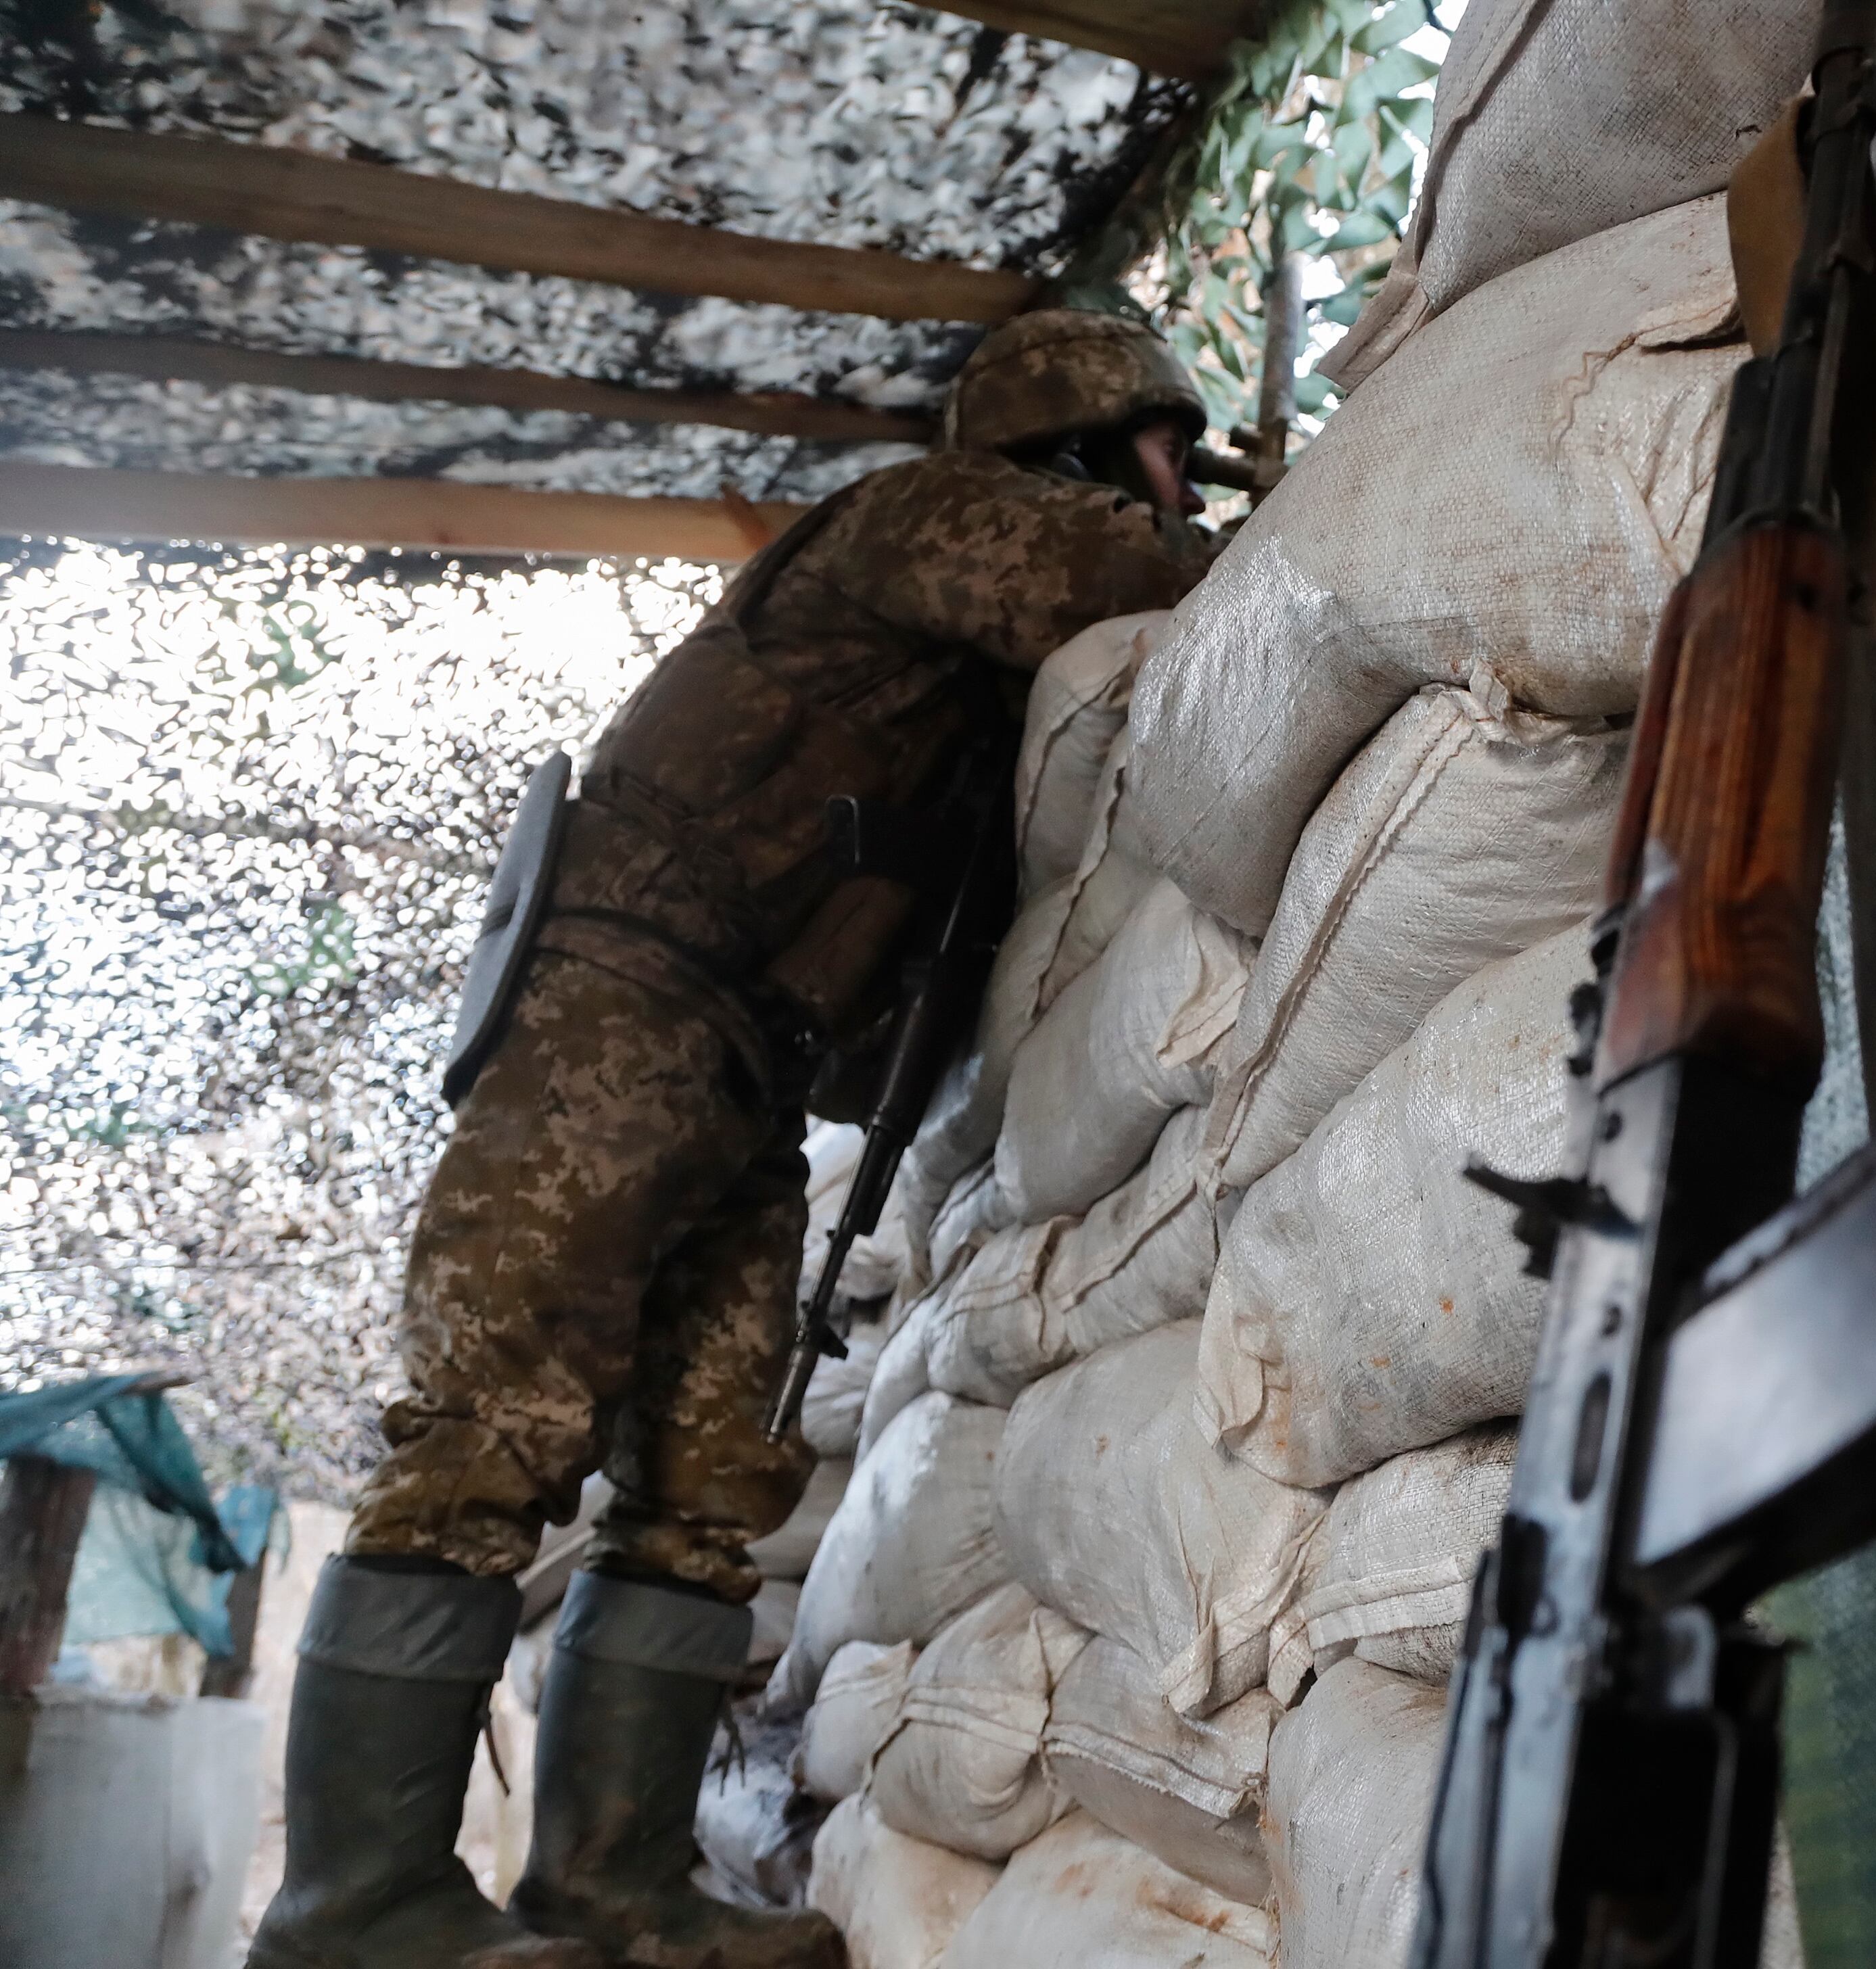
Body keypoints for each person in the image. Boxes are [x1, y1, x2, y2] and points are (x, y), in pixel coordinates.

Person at [248, 310, 1217, 1969]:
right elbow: (1110, 589)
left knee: (706, 1483)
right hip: (618, 1008)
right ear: (1081, 439)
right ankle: (358, 1905)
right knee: (493, 1432)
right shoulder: (928, 519)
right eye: (1162, 453)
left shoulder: (967, 680)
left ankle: (610, 1885)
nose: (1182, 487)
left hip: (749, 1068)